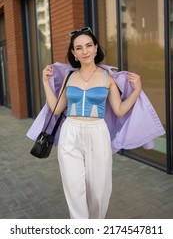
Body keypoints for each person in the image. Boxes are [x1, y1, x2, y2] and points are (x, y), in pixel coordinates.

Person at [42, 27, 142, 219]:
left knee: (99, 191)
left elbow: (119, 110)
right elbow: (56, 108)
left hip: (97, 133)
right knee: (74, 190)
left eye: (89, 45)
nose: (85, 51)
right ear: (74, 53)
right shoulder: (69, 77)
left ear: (96, 48)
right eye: (79, 48)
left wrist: (136, 90)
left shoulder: (108, 78)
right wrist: (46, 83)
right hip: (70, 134)